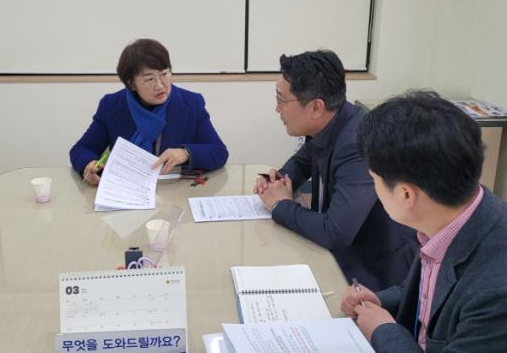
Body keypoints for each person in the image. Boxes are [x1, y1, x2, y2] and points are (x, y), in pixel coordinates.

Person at [341, 90, 507, 352]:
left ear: (406, 194)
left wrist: (383, 330)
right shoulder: (449, 218)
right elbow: (431, 293)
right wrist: (379, 302)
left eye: (374, 179)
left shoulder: (496, 290)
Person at [254, 50, 416, 291]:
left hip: (372, 271)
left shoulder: (357, 144)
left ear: (316, 107)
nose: (278, 109)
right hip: (341, 251)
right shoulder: (334, 119)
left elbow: (335, 232)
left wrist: (280, 205)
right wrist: (277, 180)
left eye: (281, 100)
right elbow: (302, 161)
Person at [70, 38, 228, 184]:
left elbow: (219, 152)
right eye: (149, 79)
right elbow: (82, 149)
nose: (160, 85)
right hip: (127, 189)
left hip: (174, 190)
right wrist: (88, 164)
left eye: (164, 74)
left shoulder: (191, 103)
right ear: (131, 84)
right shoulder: (111, 106)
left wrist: (186, 153)